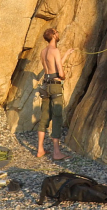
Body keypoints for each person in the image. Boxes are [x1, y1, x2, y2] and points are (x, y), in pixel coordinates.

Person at [36, 28, 74, 160]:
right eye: (56, 32)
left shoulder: (43, 52)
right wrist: (63, 78)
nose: (58, 34)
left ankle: (40, 149)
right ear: (53, 35)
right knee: (57, 117)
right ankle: (57, 153)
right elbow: (60, 72)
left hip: (45, 86)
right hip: (55, 87)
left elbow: (52, 68)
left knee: (44, 116)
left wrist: (66, 55)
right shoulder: (55, 50)